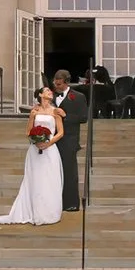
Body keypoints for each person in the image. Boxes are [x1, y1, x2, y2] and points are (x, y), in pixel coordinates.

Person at [0, 87, 66, 225]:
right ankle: (33, 211)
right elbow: (28, 131)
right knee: (35, 179)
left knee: (50, 179)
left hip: (50, 149)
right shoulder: (34, 111)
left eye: (50, 91)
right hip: (35, 150)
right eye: (47, 91)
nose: (50, 92)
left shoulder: (55, 111)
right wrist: (36, 139)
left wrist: (48, 143)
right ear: (40, 95)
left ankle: (49, 212)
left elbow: (60, 132)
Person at [51, 69, 90, 212]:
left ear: (66, 83)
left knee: (69, 172)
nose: (57, 87)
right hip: (52, 140)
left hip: (69, 140)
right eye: (55, 84)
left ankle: (71, 203)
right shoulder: (51, 96)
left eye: (59, 84)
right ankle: (55, 202)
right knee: (53, 172)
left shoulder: (78, 97)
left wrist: (66, 116)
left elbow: (83, 118)